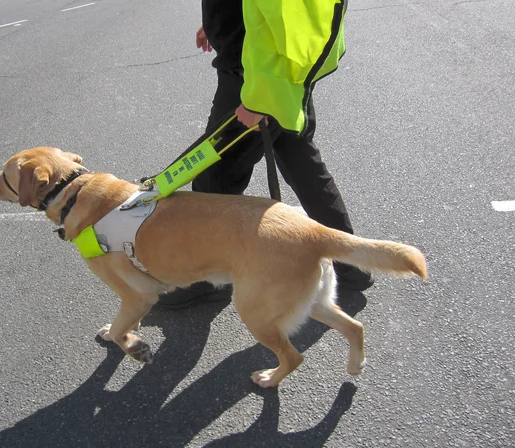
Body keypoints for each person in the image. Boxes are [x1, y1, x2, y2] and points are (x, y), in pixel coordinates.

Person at [158, 0, 373, 309]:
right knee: (302, 164)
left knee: (213, 182)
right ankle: (351, 264)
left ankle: (209, 280)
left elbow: (279, 12)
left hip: (255, 78)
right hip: (273, 73)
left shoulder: (257, 84)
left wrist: (259, 98)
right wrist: (220, 23)